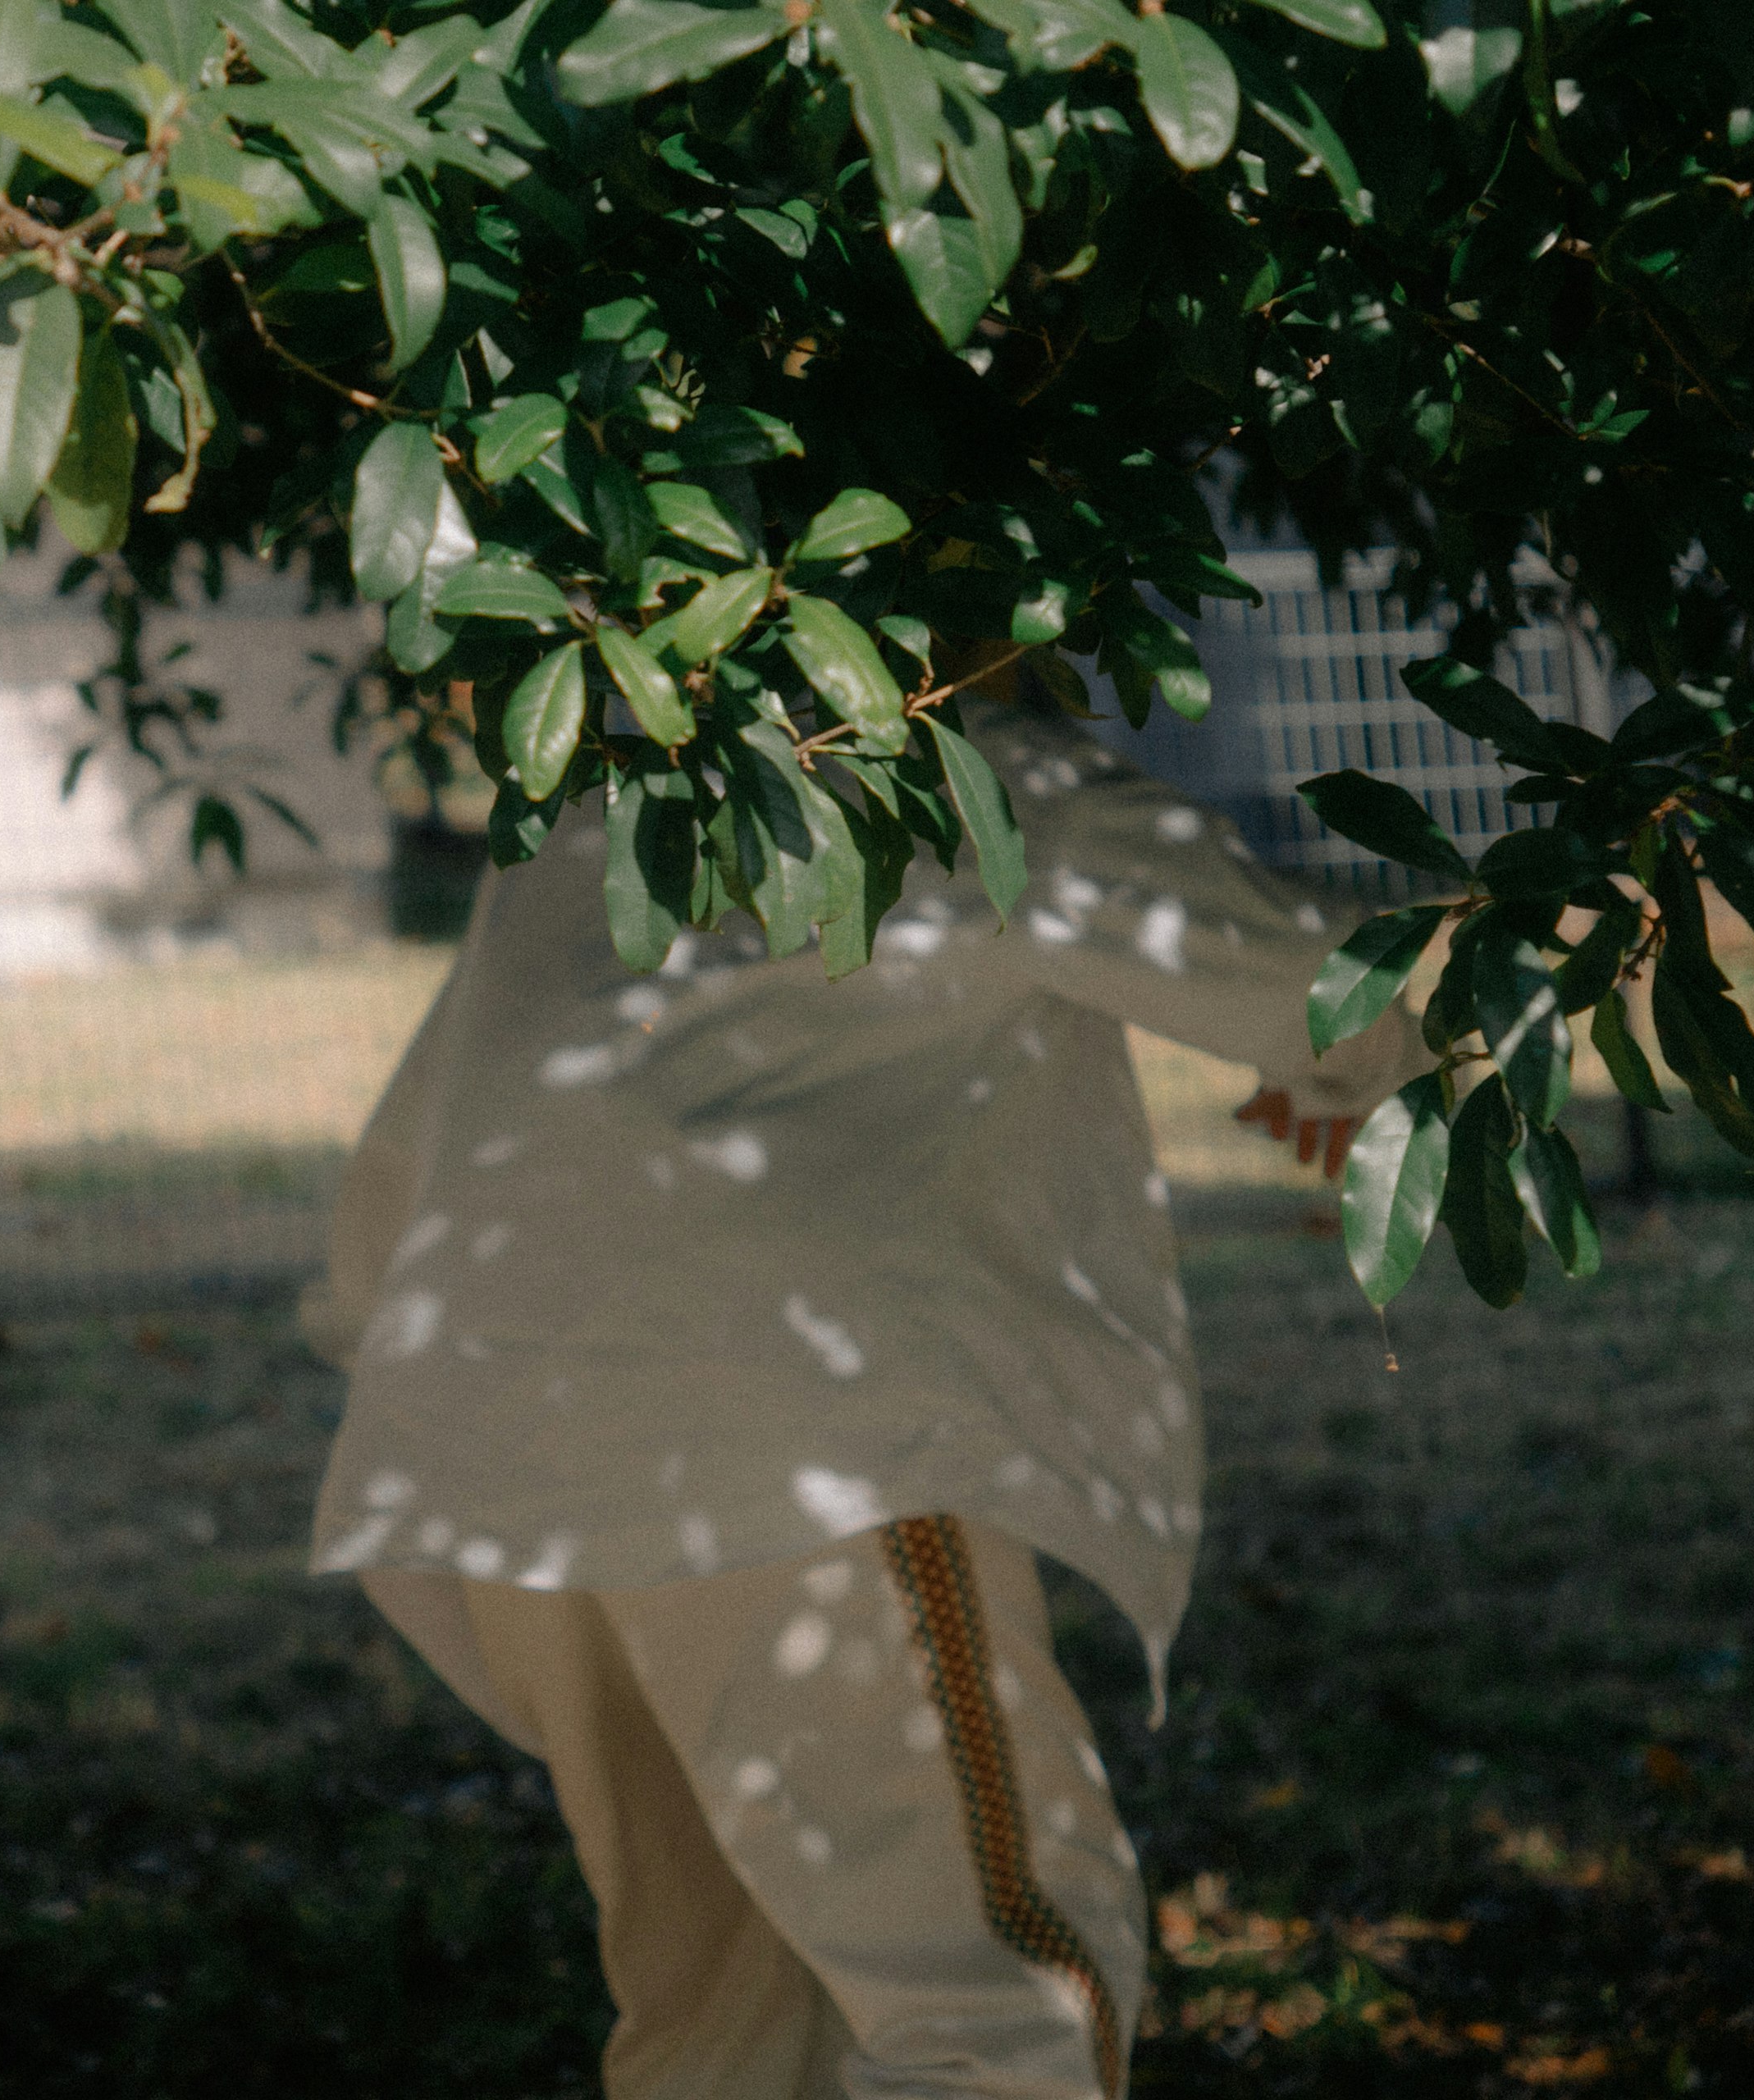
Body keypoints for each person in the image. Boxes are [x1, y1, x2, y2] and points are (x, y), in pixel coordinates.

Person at [299, 701, 1428, 2100]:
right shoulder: (978, 769)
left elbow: (400, 1196)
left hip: (499, 1454)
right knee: (990, 1996)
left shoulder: (620, 793)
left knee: (720, 2005)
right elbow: (1335, 987)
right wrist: (1397, 1059)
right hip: (786, 1455)